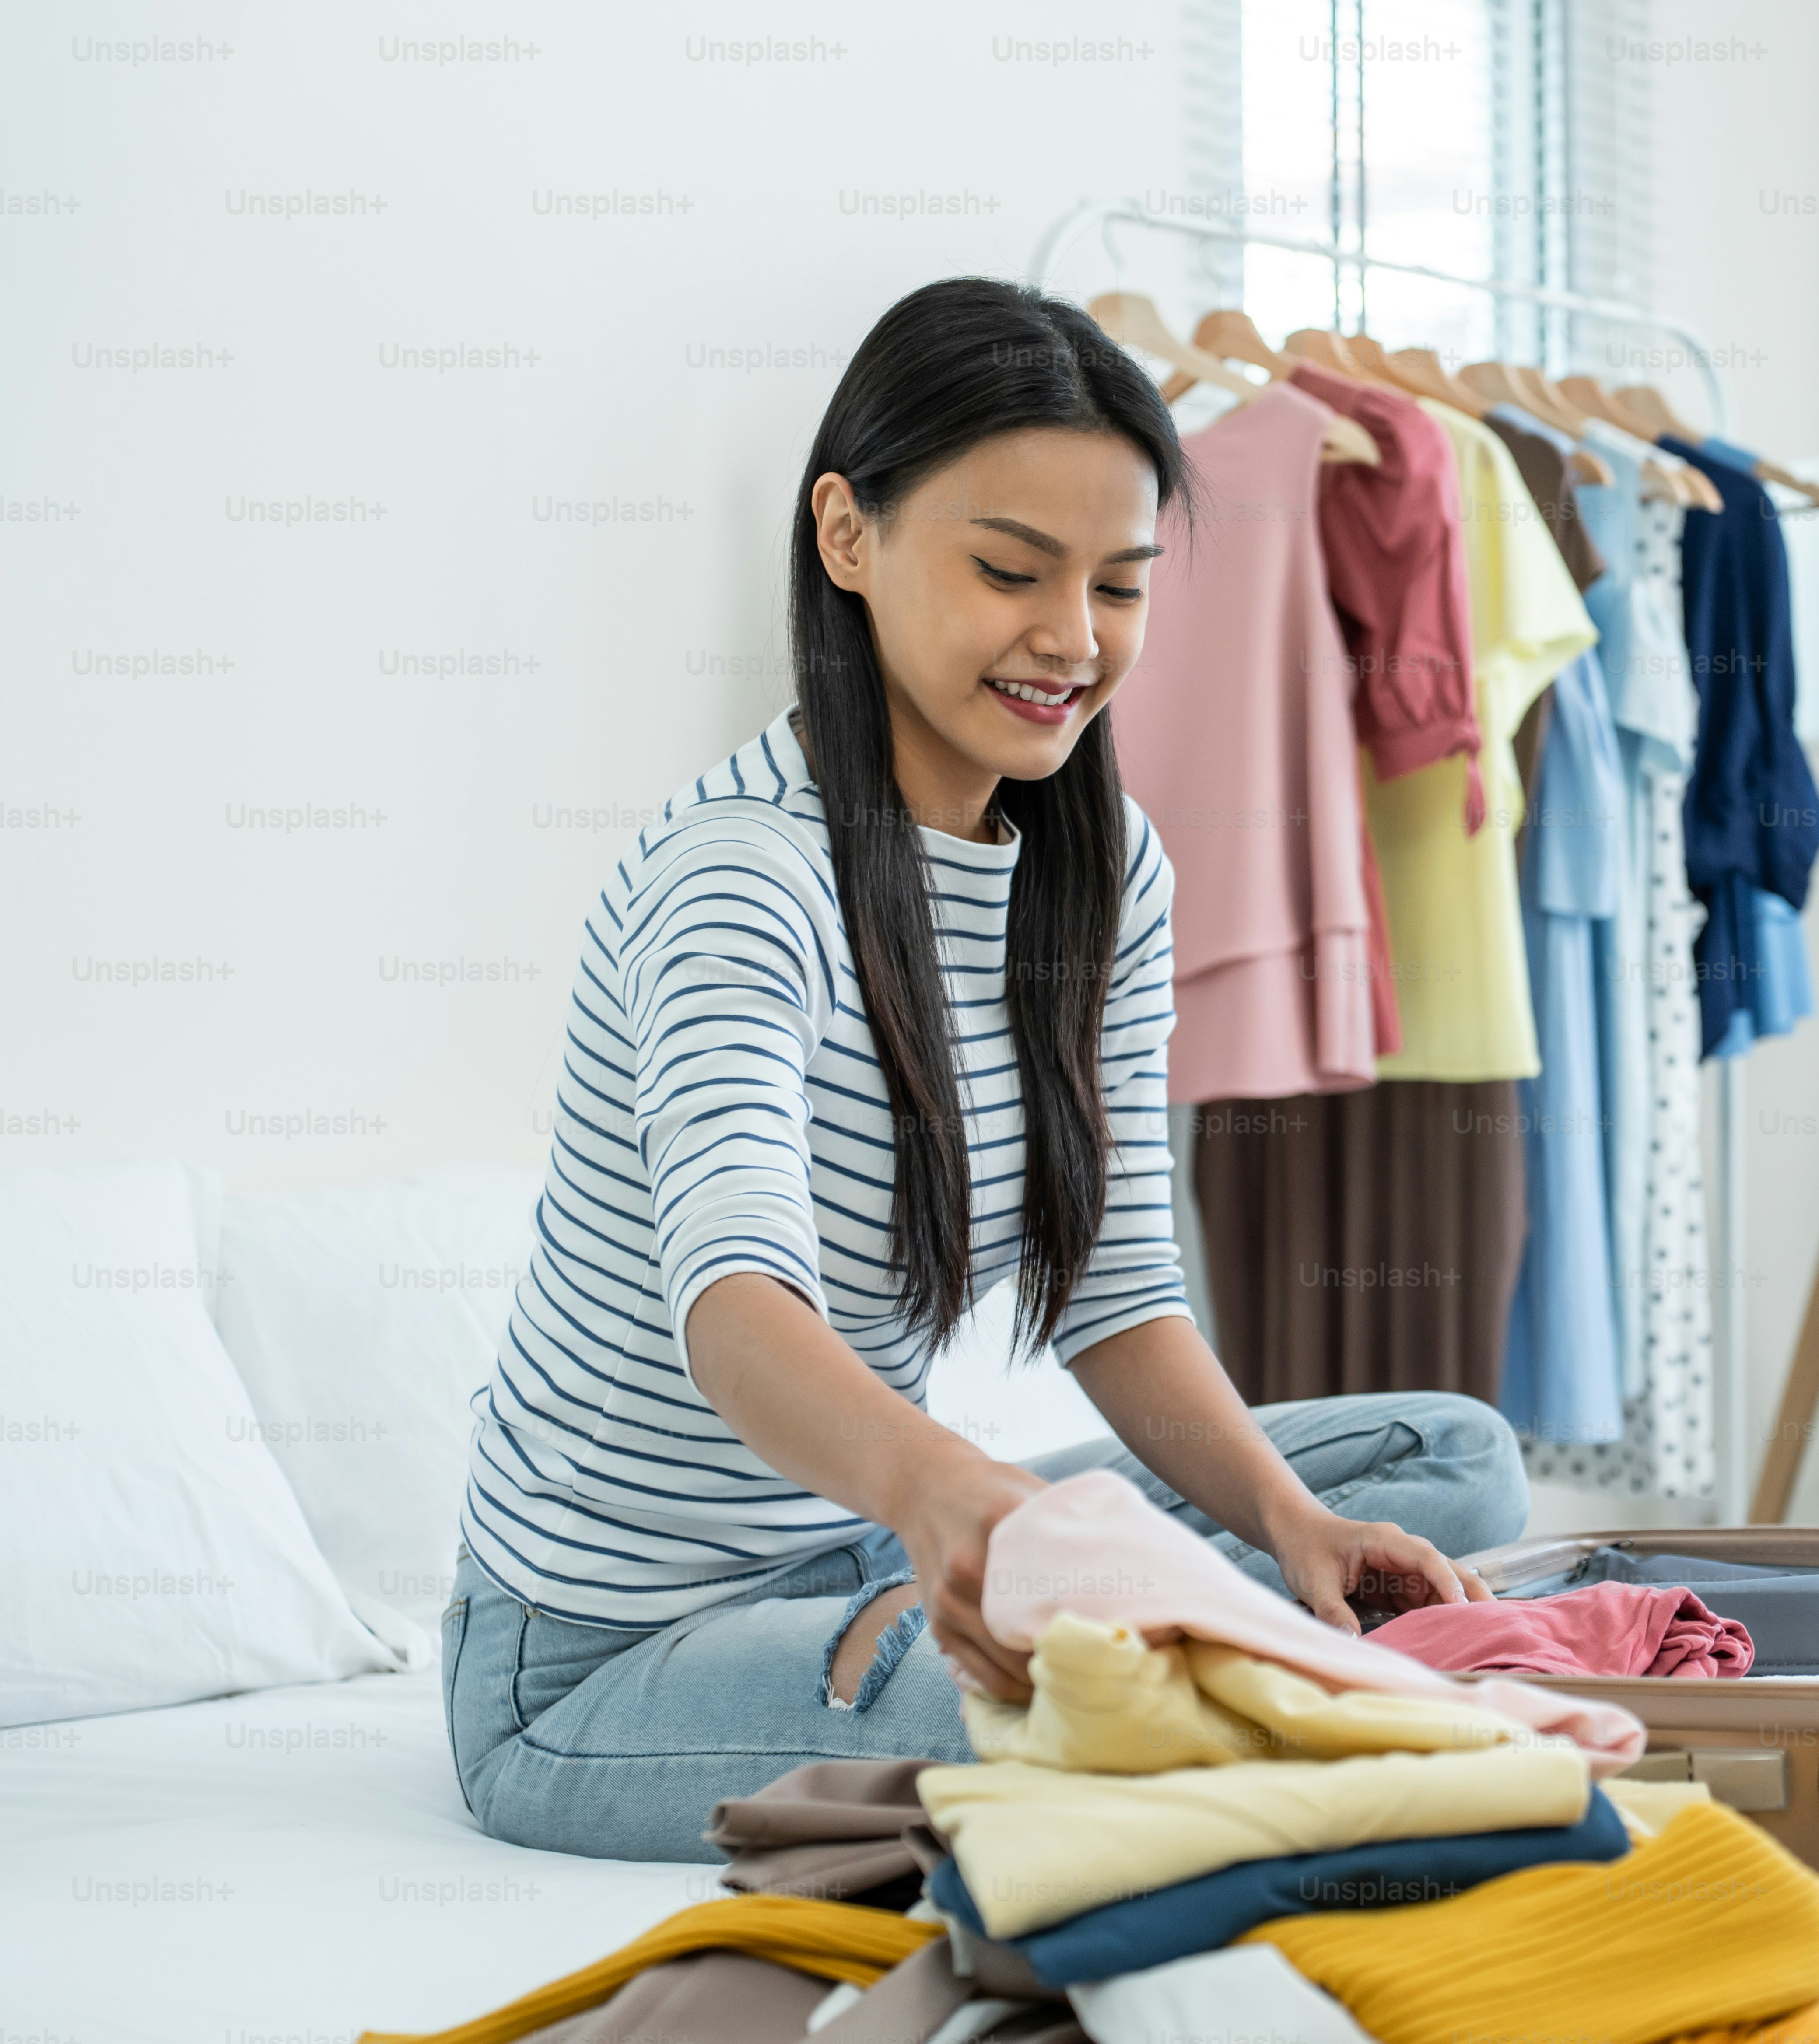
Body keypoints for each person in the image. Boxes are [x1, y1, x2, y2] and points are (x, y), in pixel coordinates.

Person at [442, 278, 1525, 1860]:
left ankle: (1246, 1630)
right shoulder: (738, 880)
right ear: (848, 537)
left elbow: (1119, 1286)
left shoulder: (1108, 870)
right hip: (596, 1664)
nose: (1073, 642)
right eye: (1011, 570)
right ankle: (1221, 1681)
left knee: (1450, 1468)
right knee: (1087, 1715)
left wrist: (1287, 1524)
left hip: (878, 1551)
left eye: (1121, 586)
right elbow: (734, 1300)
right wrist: (947, 1493)